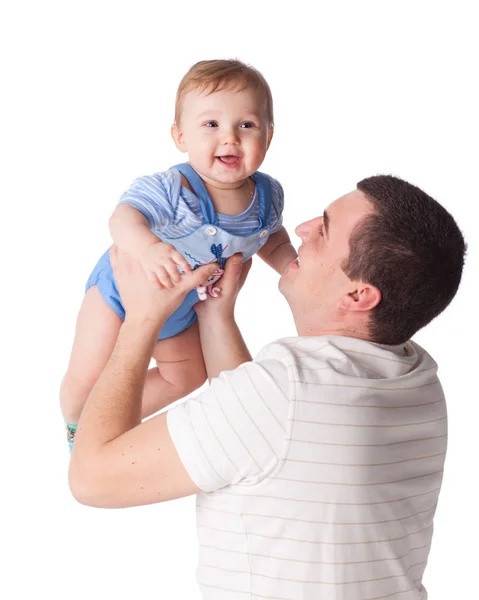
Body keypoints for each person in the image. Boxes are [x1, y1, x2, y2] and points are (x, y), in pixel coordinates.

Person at [68, 175, 466, 599]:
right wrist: (216, 317)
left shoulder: (285, 392)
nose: (301, 229)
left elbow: (92, 480)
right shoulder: (415, 375)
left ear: (358, 295)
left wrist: (143, 319)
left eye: (324, 231)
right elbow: (266, 435)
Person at [60, 59, 297, 450]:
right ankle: (76, 421)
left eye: (247, 125)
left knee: (187, 375)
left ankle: (106, 421)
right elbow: (122, 219)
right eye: (211, 125)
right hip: (119, 294)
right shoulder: (172, 188)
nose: (230, 138)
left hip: (182, 307)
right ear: (179, 136)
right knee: (87, 377)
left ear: (269, 136)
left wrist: (290, 263)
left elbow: (270, 237)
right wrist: (149, 247)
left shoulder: (267, 195)